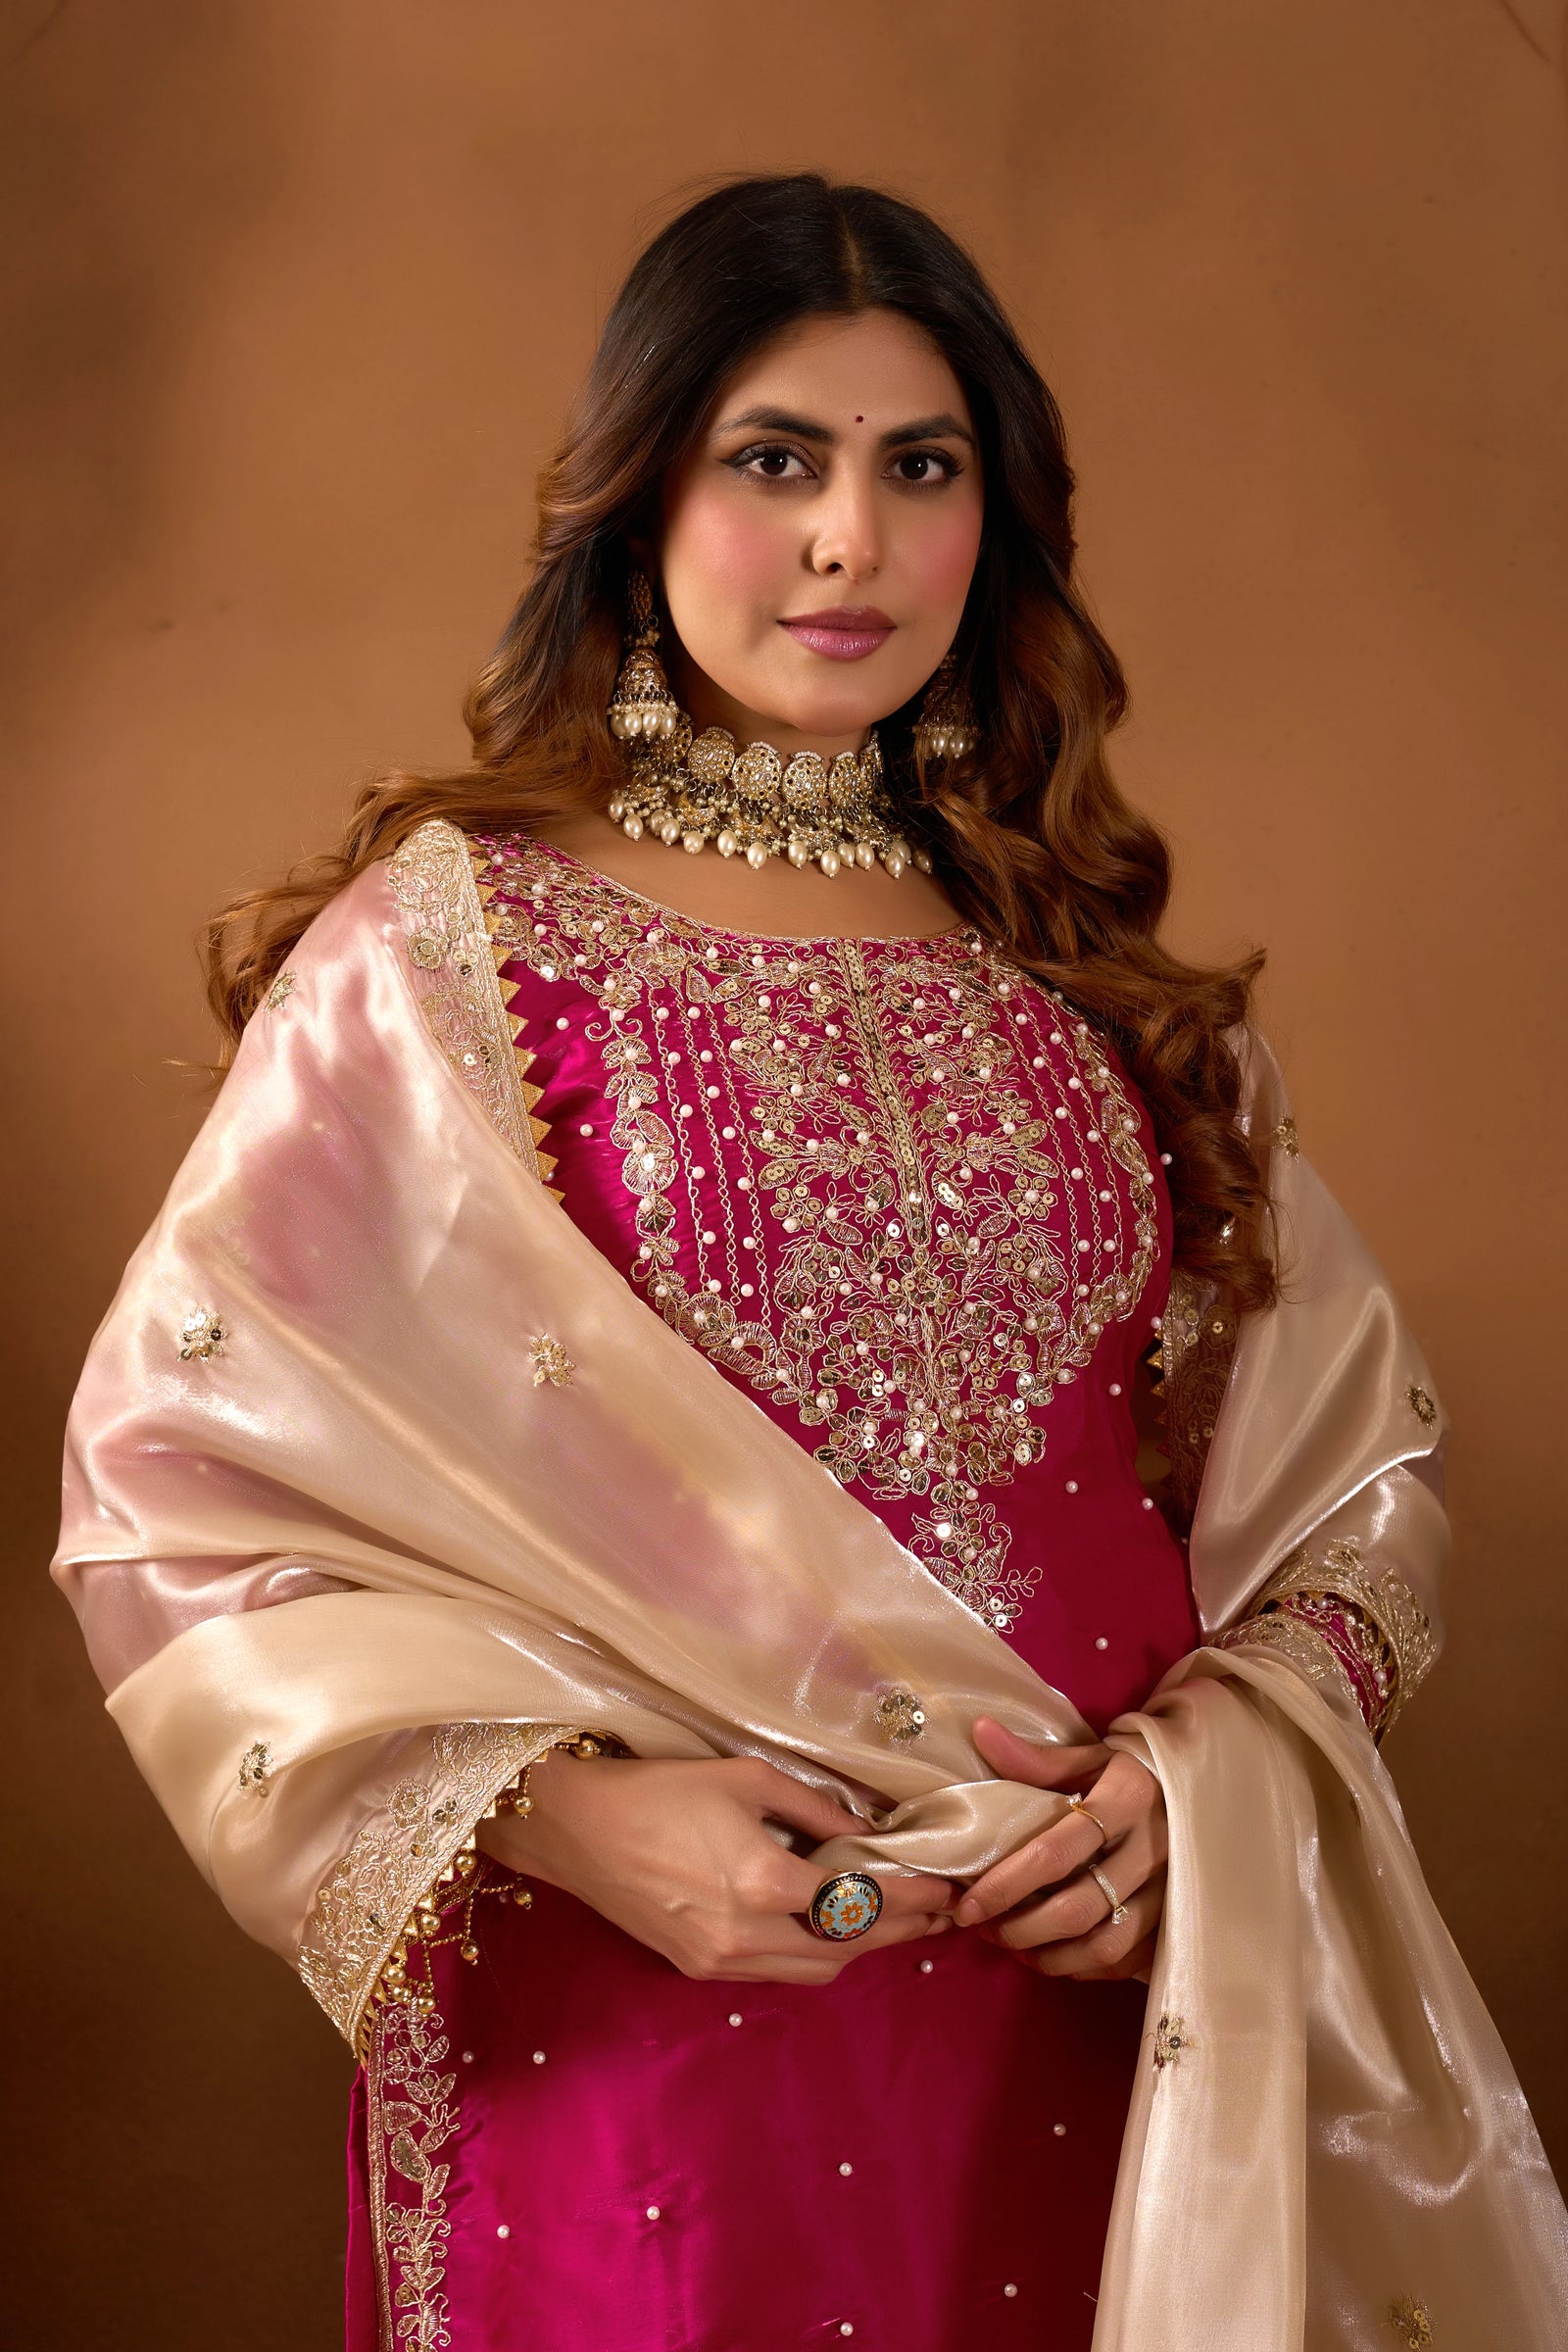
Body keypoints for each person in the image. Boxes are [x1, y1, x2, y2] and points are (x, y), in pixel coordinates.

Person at [52, 173, 1566, 2352]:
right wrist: (575, 1828)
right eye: (775, 460)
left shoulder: (1106, 991)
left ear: (995, 519)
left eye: (916, 467)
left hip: (1122, 2018)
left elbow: (1348, 1507)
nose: (849, 541)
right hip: (662, 2000)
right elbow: (179, 1507)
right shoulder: (458, 957)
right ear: (640, 495)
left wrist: (1196, 1802)